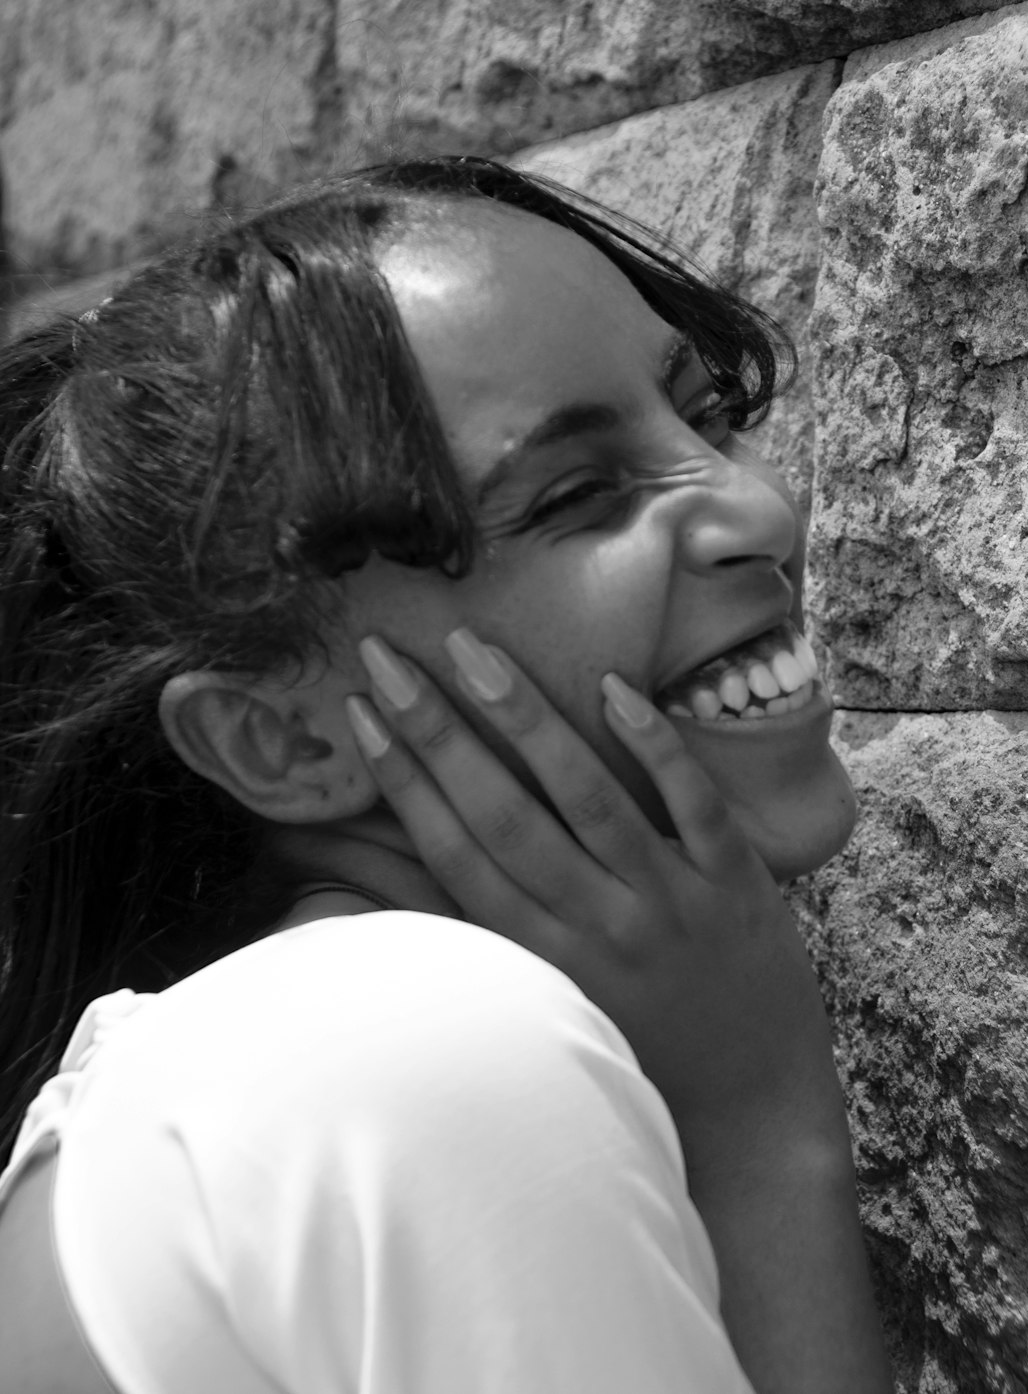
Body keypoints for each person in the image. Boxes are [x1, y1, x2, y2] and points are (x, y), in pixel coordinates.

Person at [0, 157, 892, 1393]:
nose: (760, 507)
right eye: (579, 496)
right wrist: (761, 1125)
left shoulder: (257, 1058)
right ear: (284, 743)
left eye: (708, 415)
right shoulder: (413, 1044)